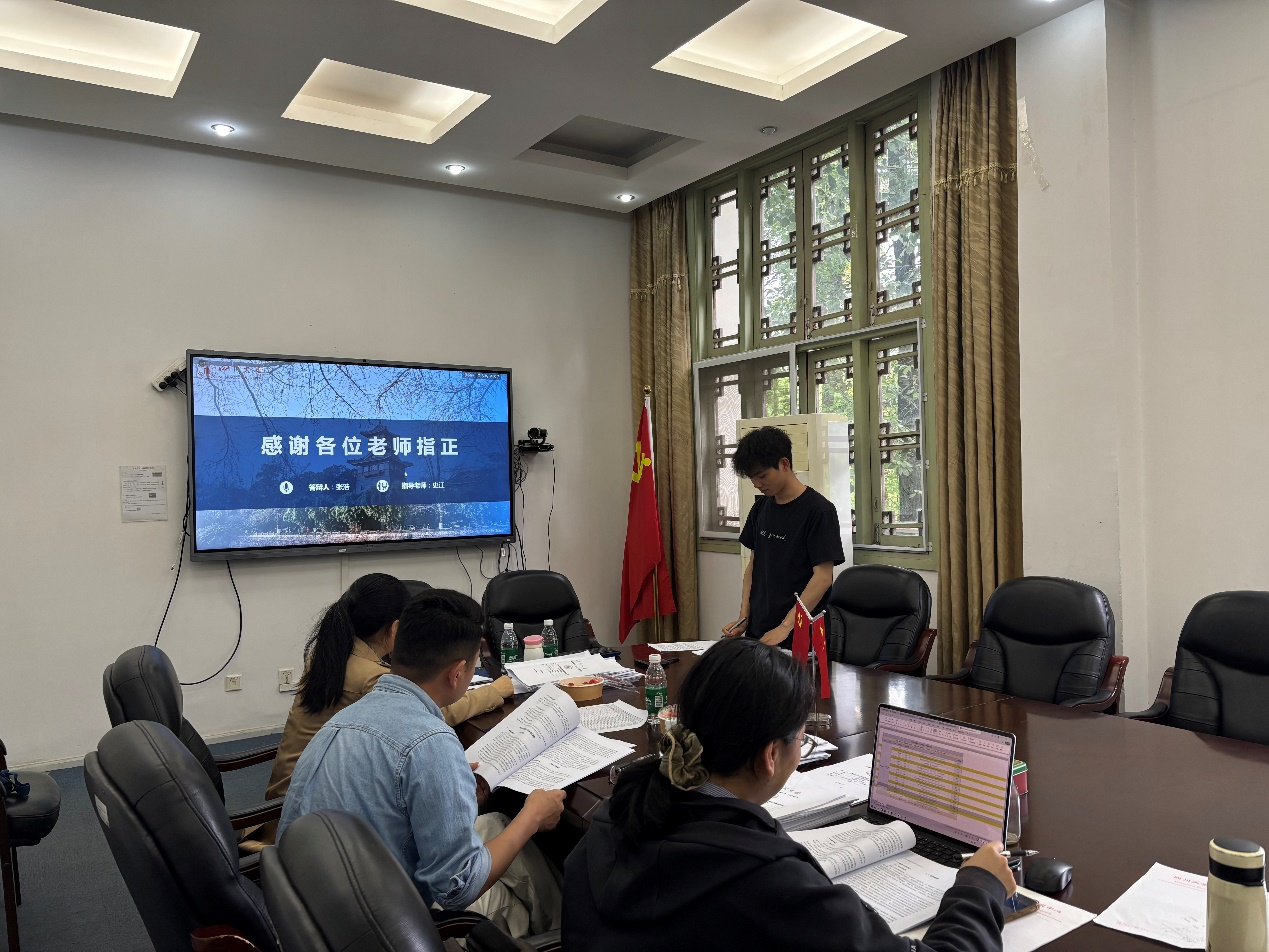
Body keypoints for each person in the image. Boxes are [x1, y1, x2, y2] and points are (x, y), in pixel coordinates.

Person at [563, 638, 1013, 952]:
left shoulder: (619, 811)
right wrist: (979, 886)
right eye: (801, 738)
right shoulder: (767, 880)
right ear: (770, 756)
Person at [278, 588, 566, 938]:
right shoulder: (430, 741)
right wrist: (533, 817)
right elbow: (457, 888)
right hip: (378, 930)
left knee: (495, 824)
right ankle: (564, 935)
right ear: (457, 673)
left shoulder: (343, 721)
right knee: (515, 884)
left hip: (311, 912)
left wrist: (453, 789)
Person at [241, 573, 512, 850]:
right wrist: (495, 691)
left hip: (299, 794)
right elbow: (434, 713)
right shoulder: (372, 678)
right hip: (312, 817)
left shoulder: (335, 652)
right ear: (396, 629)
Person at [724, 425, 845, 647]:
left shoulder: (819, 511)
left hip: (800, 634)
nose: (757, 484)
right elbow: (753, 566)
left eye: (762, 475)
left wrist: (786, 626)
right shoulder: (760, 508)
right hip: (760, 631)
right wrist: (744, 617)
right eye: (752, 478)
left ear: (785, 464)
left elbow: (823, 578)